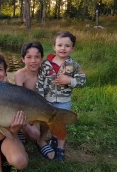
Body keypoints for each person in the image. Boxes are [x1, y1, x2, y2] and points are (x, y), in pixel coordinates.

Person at [36, 31, 86, 161]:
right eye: (60, 45)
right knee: (46, 122)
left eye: (67, 46)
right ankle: (49, 139)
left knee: (60, 125)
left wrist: (69, 81)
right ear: (54, 47)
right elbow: (40, 83)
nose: (63, 48)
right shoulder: (46, 64)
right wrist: (41, 98)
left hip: (64, 102)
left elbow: (82, 81)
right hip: (47, 101)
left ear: (72, 48)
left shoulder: (73, 65)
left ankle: (60, 148)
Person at [14, 41, 55, 161]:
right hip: (23, 109)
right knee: (33, 134)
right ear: (23, 59)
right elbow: (19, 99)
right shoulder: (20, 74)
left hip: (40, 106)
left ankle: (41, 141)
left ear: (41, 58)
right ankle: (19, 130)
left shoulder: (45, 72)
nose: (33, 61)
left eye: (37, 57)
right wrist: (29, 119)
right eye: (29, 57)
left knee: (47, 114)